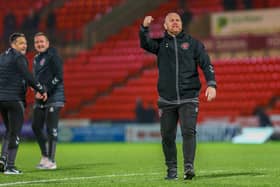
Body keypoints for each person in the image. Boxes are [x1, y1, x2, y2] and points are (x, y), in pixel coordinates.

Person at [139, 12, 217, 180]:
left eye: (177, 20)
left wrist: (211, 84)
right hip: (166, 100)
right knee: (167, 136)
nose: (175, 22)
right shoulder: (159, 44)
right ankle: (171, 170)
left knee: (189, 132)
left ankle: (189, 168)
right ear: (165, 26)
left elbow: (206, 64)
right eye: (171, 20)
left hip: (189, 97)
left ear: (181, 24)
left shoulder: (194, 44)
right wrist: (144, 28)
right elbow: (145, 43)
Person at [0, 33, 47, 174]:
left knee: (9, 131)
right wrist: (40, 88)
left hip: (1, 99)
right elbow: (27, 75)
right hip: (15, 100)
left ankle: (2, 159)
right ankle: (10, 166)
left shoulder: (2, 57)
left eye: (25, 43)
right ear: (13, 44)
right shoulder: (19, 57)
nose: (25, 46)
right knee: (15, 132)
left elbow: (14, 76)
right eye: (21, 43)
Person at [31, 32, 65, 170]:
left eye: (42, 41)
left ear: (47, 43)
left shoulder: (53, 56)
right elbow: (37, 78)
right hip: (41, 97)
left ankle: (51, 160)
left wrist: (46, 90)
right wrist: (36, 89)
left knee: (51, 128)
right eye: (37, 42)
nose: (39, 44)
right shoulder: (36, 58)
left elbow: (59, 76)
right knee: (36, 126)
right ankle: (45, 156)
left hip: (54, 96)